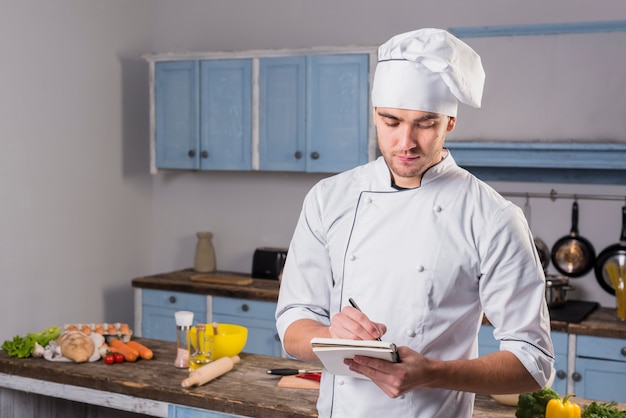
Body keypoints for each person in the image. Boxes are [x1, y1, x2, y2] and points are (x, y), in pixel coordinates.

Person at [275, 28, 554, 418]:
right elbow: (293, 324)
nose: (405, 142)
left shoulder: (492, 217)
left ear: (450, 122)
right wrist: (331, 336)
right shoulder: (329, 198)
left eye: (424, 124)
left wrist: (431, 374)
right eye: (391, 121)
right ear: (375, 114)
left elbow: (534, 363)